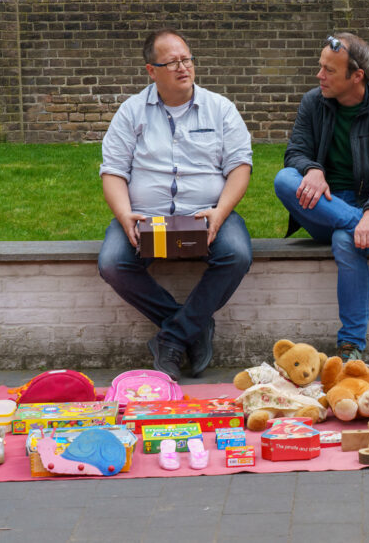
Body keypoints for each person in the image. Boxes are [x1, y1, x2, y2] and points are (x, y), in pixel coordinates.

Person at [98, 28, 253, 380]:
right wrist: (124, 215)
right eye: (172, 62)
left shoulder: (220, 109)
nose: (184, 67)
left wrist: (220, 213)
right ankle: (193, 330)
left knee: (237, 254)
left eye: (187, 59)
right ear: (152, 70)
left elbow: (240, 168)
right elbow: (113, 171)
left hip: (207, 214)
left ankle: (172, 338)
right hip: (146, 218)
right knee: (112, 263)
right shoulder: (131, 112)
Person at [274, 32, 369, 362]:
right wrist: (312, 169)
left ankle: (351, 347)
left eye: (329, 70)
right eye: (320, 67)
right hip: (326, 203)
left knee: (345, 241)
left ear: (357, 76)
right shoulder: (312, 102)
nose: (319, 76)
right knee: (283, 179)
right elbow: (295, 152)